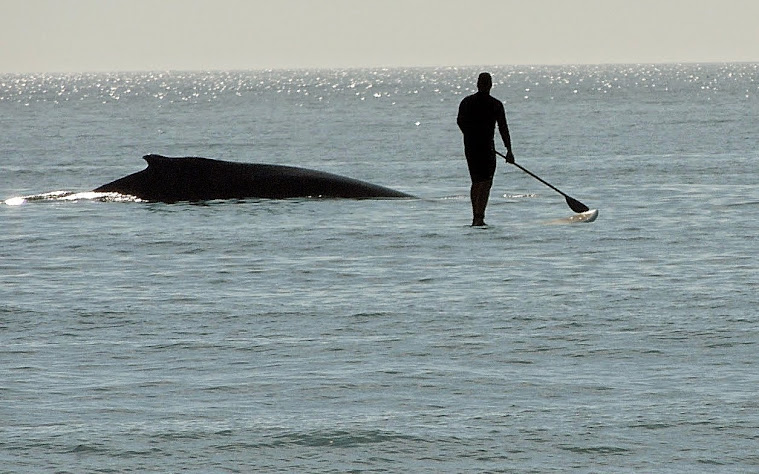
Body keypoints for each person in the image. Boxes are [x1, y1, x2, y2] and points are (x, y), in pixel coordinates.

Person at [457, 72, 515, 226]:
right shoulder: (495, 104)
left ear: (478, 84)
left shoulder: (467, 102)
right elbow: (503, 128)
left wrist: (470, 137)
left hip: (471, 147)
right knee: (485, 182)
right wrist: (509, 150)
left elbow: (460, 122)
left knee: (477, 182)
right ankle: (479, 216)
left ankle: (476, 216)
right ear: (490, 85)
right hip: (486, 148)